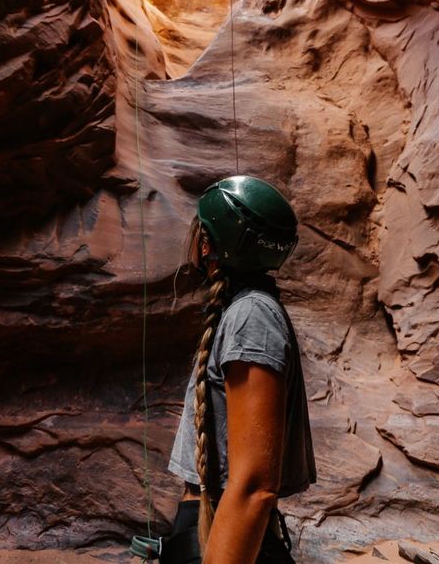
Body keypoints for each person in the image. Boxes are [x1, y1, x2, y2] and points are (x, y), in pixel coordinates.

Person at [131, 175, 316, 564]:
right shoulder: (244, 311)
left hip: (223, 535)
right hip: (206, 529)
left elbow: (254, 486)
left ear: (209, 245)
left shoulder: (251, 316)